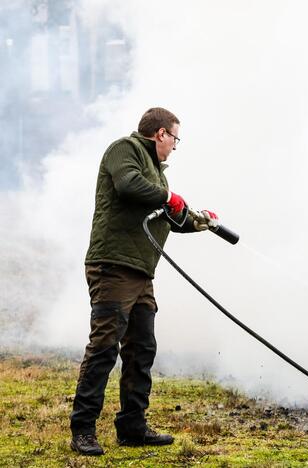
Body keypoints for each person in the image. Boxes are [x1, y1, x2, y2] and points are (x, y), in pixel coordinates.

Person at [70, 107, 219, 455]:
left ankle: (132, 427)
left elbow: (169, 217)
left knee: (141, 348)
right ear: (161, 134)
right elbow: (128, 185)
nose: (176, 147)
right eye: (175, 138)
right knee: (105, 346)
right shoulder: (125, 150)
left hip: (140, 272)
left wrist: (197, 221)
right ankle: (82, 429)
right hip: (113, 266)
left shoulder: (157, 175)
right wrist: (169, 197)